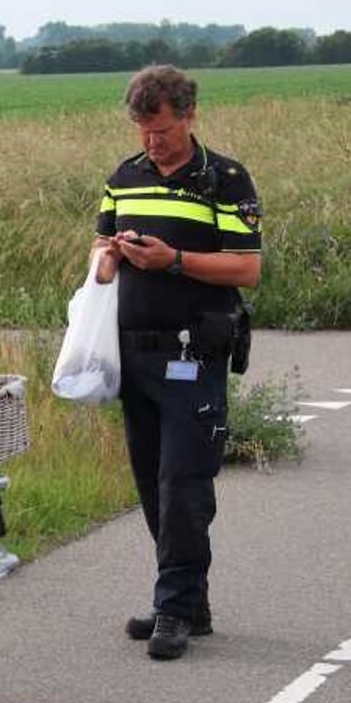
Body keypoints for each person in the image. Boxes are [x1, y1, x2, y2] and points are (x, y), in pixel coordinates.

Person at [91, 65, 263, 661]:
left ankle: (173, 608)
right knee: (150, 484)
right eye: (142, 129)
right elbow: (98, 242)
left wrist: (171, 260)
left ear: (188, 115)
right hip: (134, 353)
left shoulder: (226, 179)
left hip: (195, 352)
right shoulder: (124, 176)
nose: (151, 142)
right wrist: (108, 260)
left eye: (160, 129)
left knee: (184, 485)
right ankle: (189, 601)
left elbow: (246, 269)